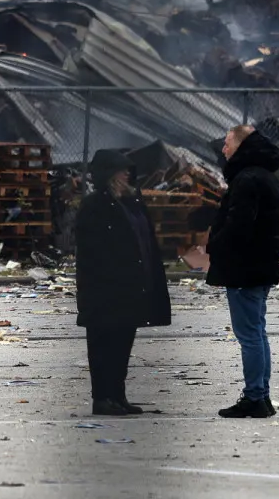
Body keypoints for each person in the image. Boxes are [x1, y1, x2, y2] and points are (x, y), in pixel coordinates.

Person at [186, 123, 279, 419]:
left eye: (228, 143)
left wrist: (214, 245)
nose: (223, 149)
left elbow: (239, 226)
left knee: (250, 334)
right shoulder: (265, 176)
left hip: (246, 269)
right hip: (260, 266)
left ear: (241, 146)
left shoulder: (247, 180)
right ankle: (261, 395)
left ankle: (255, 396)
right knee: (257, 331)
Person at [74, 149, 172, 416]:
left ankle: (117, 395)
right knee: (103, 344)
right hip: (104, 289)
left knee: (122, 343)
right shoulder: (95, 206)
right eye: (121, 170)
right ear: (108, 174)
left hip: (131, 287)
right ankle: (102, 397)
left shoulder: (132, 203)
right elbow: (90, 250)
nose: (127, 173)